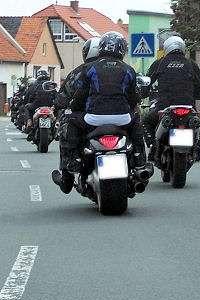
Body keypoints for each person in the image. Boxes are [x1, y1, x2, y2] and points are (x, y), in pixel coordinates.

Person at [53, 31, 147, 194]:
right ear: (122, 49)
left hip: (94, 118)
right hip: (122, 119)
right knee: (136, 122)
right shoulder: (128, 69)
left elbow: (80, 94)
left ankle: (74, 160)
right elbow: (133, 98)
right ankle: (139, 158)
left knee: (70, 120)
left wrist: (74, 108)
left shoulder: (89, 68)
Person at [142, 35, 200, 145]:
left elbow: (148, 81)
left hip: (164, 106)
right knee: (199, 123)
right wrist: (196, 94)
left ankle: (153, 146)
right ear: (183, 48)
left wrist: (144, 92)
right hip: (188, 107)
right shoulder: (191, 64)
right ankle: (197, 147)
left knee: (146, 121)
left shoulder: (159, 63)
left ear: (167, 48)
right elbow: (199, 85)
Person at [55, 37, 100, 178]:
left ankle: (69, 168)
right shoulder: (119, 68)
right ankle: (138, 161)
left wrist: (61, 107)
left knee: (66, 126)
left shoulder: (79, 72)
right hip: (117, 117)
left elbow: (62, 98)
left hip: (85, 119)